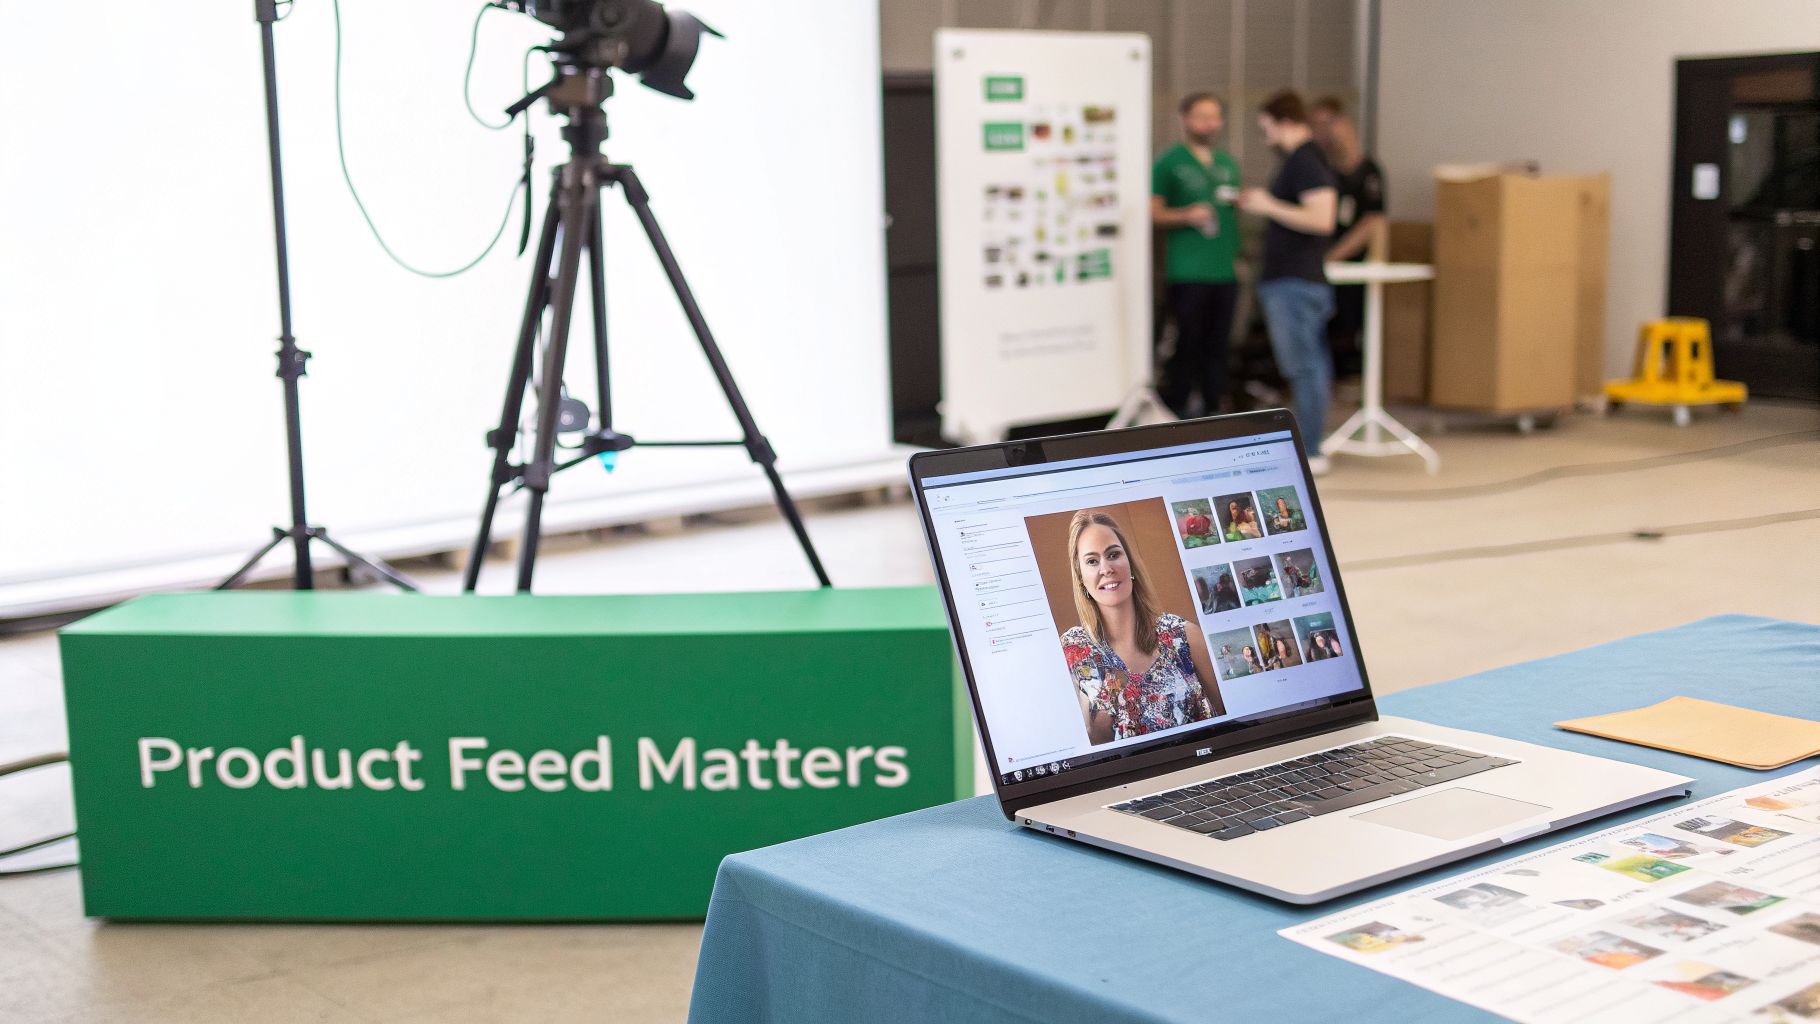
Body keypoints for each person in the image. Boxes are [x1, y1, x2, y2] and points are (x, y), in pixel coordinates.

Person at [1238, 91, 1338, 475]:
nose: (1265, 136)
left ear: (1283, 122)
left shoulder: (1306, 160)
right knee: (1304, 364)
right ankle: (1309, 445)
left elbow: (1322, 218)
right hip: (1289, 281)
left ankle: (1311, 448)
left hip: (1296, 283)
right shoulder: (1299, 162)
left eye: (1266, 127)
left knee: (1306, 366)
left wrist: (1268, 206)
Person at [1060, 510, 1215, 742]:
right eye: (1092, 561)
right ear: (1081, 577)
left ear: (1129, 563)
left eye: (1113, 555)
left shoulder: (1184, 635)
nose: (1106, 569)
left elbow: (1234, 725)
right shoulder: (1072, 652)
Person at [1150, 93, 1242, 418]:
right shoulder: (1169, 162)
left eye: (1215, 116)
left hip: (1224, 271)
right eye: (1201, 116)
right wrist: (1186, 215)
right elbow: (1152, 212)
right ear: (1184, 119)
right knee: (1187, 345)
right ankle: (1177, 413)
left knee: (1218, 347)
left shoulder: (1227, 165)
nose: (1209, 123)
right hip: (1187, 271)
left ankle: (1215, 410)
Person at [1312, 97, 1387, 379]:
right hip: (1320, 264)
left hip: (1350, 263)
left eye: (1327, 124)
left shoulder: (1367, 171)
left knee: (1351, 321)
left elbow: (1372, 221)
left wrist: (1334, 255)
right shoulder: (1320, 168)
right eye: (1316, 125)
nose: (1324, 131)